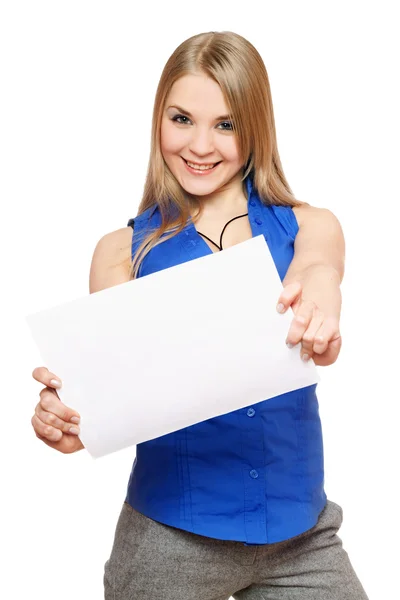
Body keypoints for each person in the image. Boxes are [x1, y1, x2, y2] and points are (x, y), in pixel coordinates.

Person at [30, 31, 369, 600]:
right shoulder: (122, 252)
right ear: (157, 120)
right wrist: (69, 417)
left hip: (301, 536)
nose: (201, 145)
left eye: (227, 124)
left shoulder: (311, 226)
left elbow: (318, 272)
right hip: (169, 541)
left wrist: (320, 308)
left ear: (255, 128)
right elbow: (110, 392)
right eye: (181, 119)